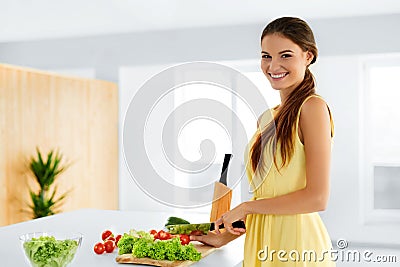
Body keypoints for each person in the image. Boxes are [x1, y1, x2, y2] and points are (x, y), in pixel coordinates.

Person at [190, 17, 336, 266]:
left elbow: (317, 198)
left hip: (297, 246)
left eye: (286, 55)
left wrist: (245, 207)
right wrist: (222, 237)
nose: (273, 65)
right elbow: (266, 198)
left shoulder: (312, 108)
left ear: (308, 57)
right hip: (261, 244)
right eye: (266, 56)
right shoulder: (267, 118)